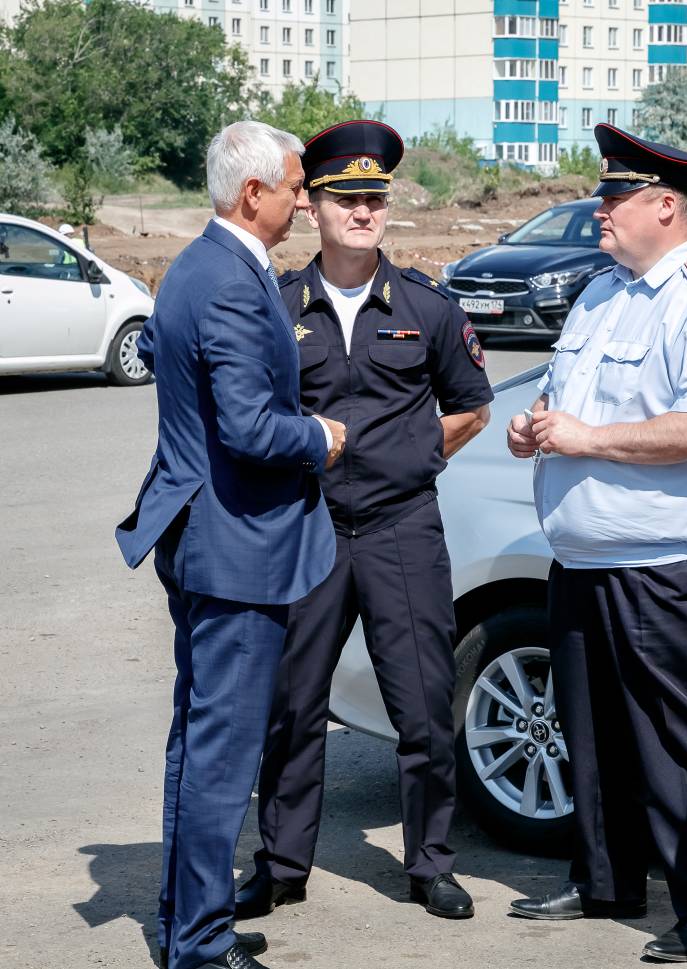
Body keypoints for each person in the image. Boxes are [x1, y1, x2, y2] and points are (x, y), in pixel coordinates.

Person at [506, 123, 687, 964]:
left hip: (664, 559)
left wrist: (587, 439)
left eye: (614, 198)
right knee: (594, 732)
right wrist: (535, 428)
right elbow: (564, 401)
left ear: (665, 205)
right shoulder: (600, 293)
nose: (598, 212)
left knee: (681, 735)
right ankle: (605, 880)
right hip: (583, 553)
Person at [233, 119, 493, 923]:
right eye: (346, 197)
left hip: (400, 529)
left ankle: (431, 864)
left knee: (422, 705)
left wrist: (411, 457)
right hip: (307, 529)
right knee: (293, 705)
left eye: (375, 197)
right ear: (312, 204)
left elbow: (473, 408)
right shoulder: (278, 308)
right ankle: (280, 863)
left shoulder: (426, 306)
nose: (363, 211)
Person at [115, 121, 345, 969]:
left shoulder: (205, 267)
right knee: (222, 751)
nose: (302, 201)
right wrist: (320, 436)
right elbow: (249, 427)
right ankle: (201, 944)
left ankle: (190, 917)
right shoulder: (225, 282)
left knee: (200, 741)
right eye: (295, 187)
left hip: (212, 535)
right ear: (254, 194)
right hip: (237, 544)